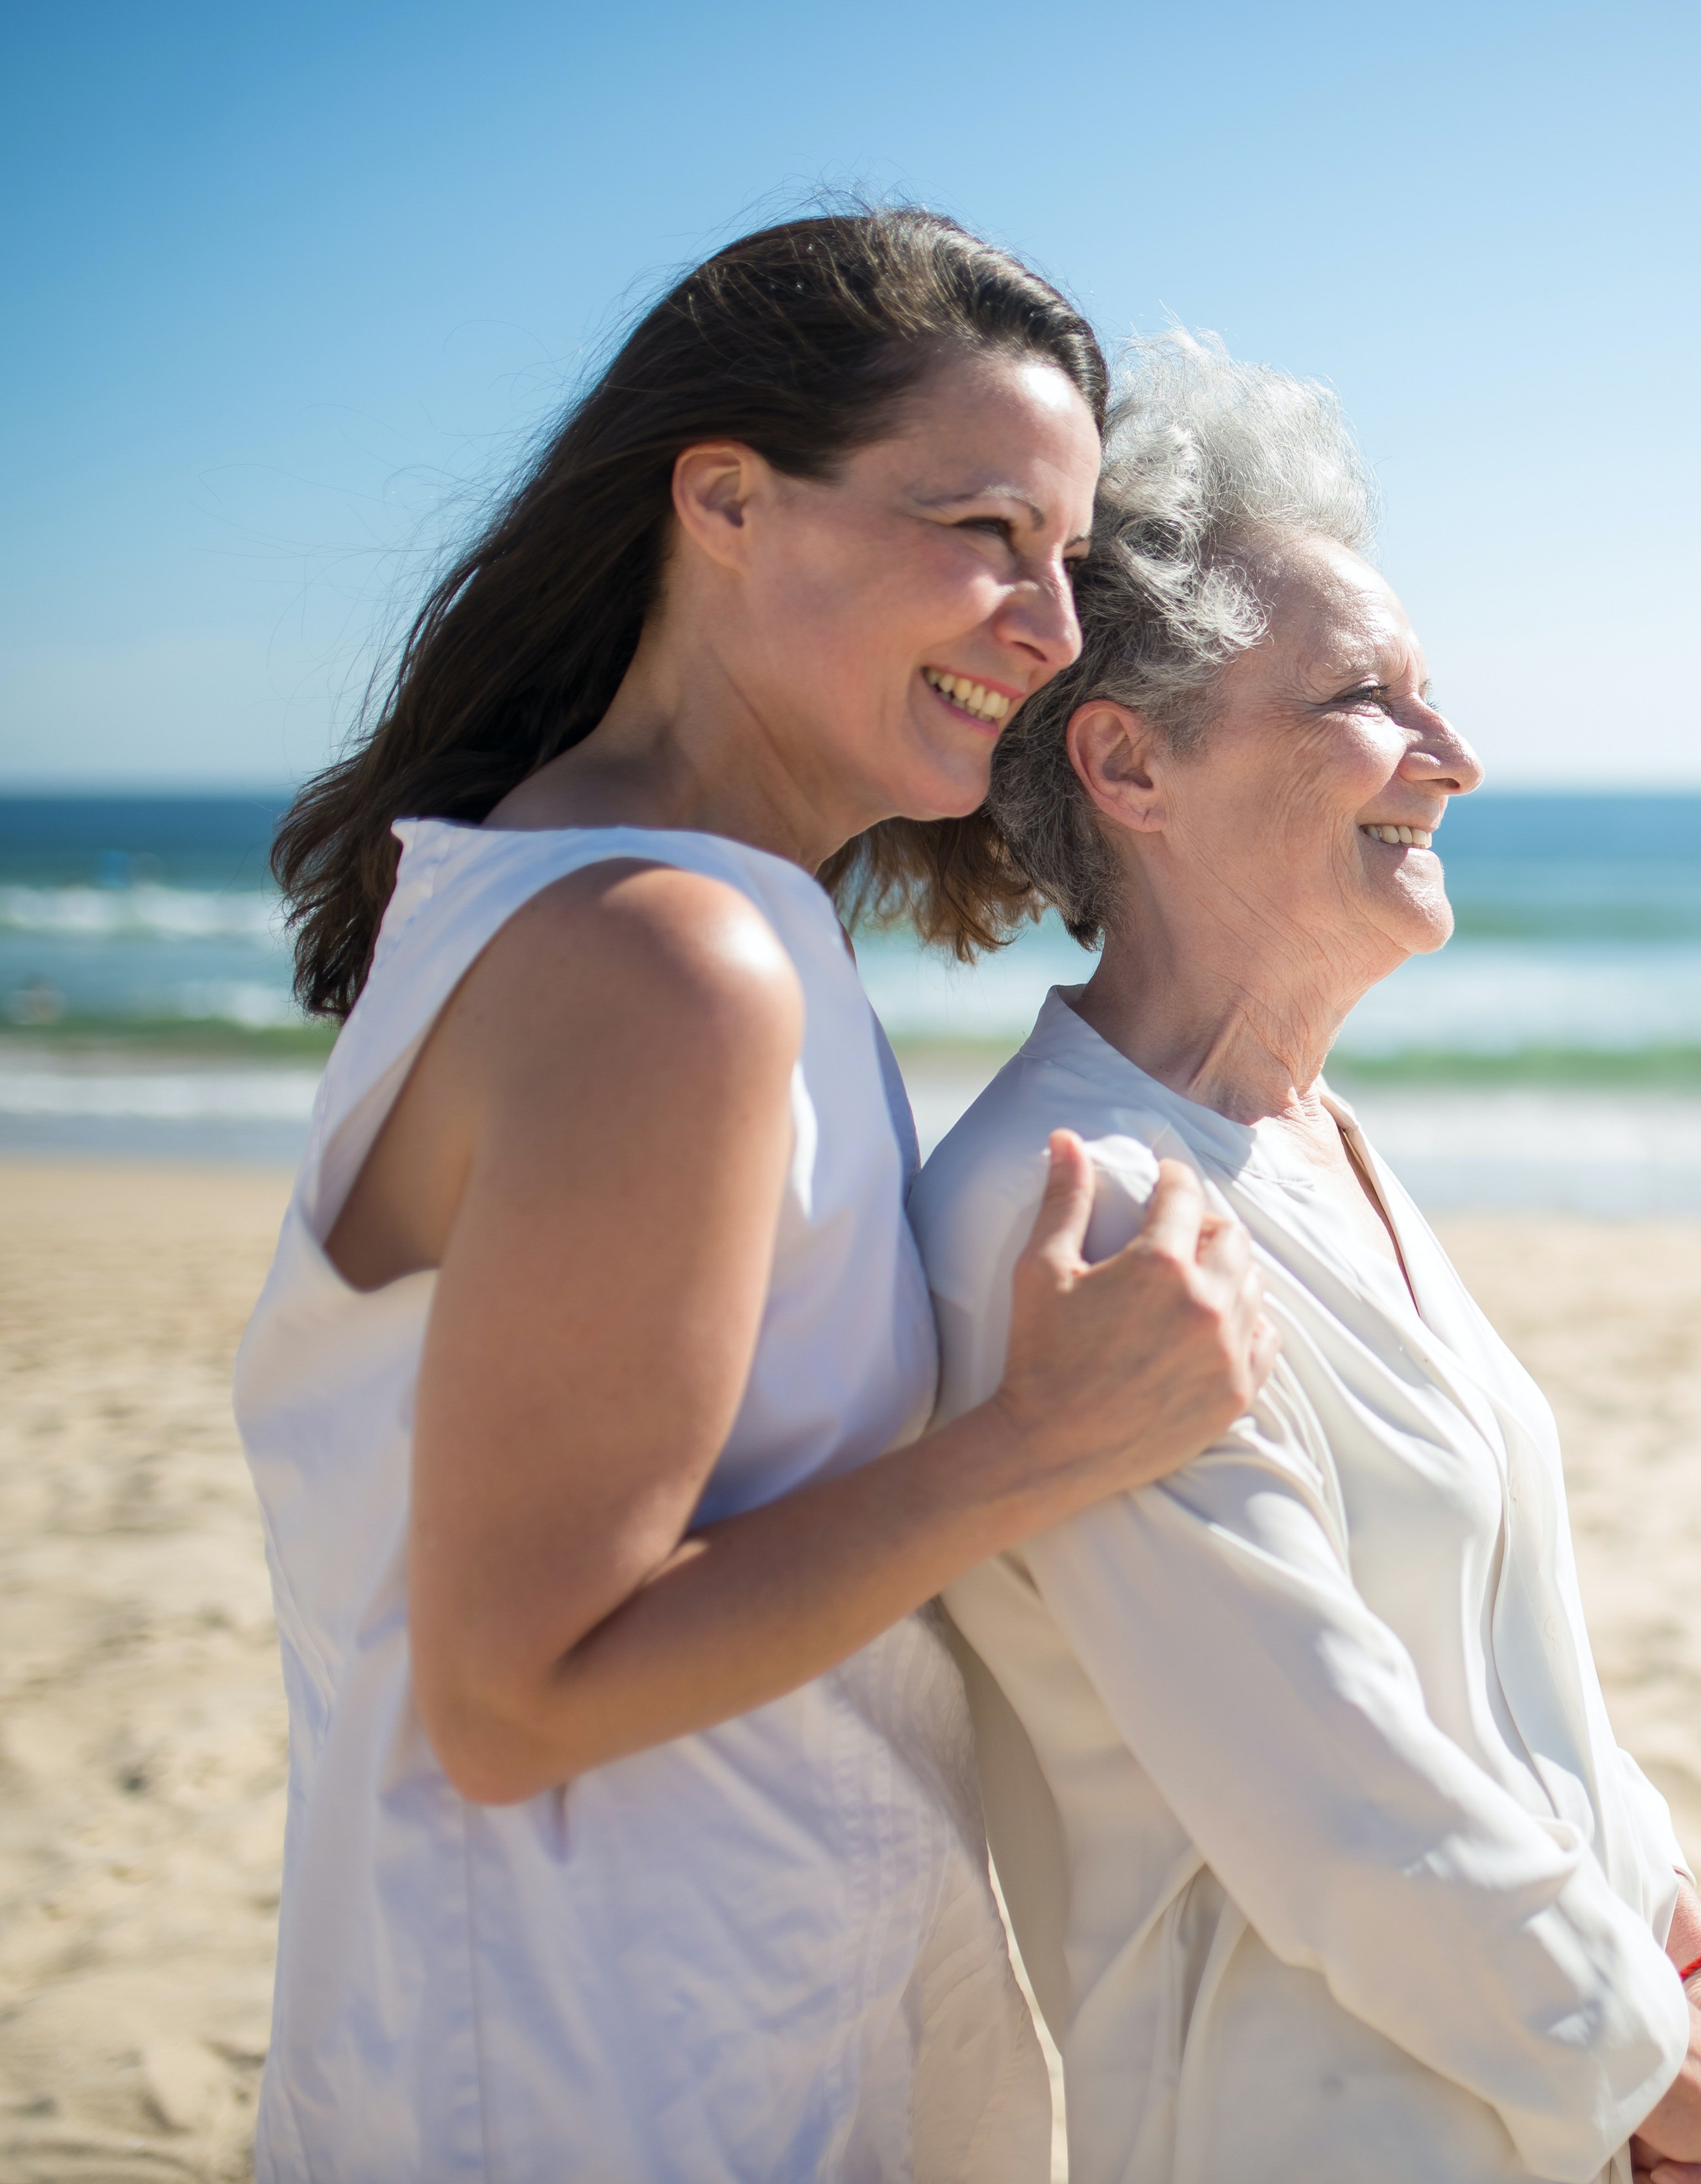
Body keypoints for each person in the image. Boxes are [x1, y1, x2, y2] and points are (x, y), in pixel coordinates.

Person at [236, 211, 1276, 2181]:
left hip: (672, 2034)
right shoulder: (666, 964)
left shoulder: (638, 909)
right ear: (724, 496)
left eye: (1062, 560)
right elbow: (516, 1696)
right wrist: (1040, 1443)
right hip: (597, 2083)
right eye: (983, 531)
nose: (1049, 629)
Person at [911, 335, 1701, 2184]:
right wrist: (1667, 2078)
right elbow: (1339, 1803)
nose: (1454, 761)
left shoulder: (1316, 1145)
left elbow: (1510, 1669)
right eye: (1367, 701)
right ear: (1128, 762)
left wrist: (1690, 1937)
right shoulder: (1073, 1213)